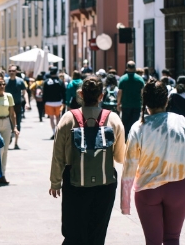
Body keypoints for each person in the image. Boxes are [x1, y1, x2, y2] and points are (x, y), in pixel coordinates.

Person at [121, 78, 185, 245]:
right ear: (167, 100)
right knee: (173, 239)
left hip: (147, 190)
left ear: (145, 102)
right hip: (177, 189)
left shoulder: (138, 127)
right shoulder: (181, 122)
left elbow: (129, 165)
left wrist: (125, 202)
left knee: (153, 241)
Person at [49, 75, 125, 244]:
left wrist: (55, 182)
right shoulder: (113, 119)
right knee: (97, 234)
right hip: (105, 182)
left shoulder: (68, 119)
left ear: (81, 94)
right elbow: (120, 158)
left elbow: (58, 156)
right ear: (101, 96)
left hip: (74, 181)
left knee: (74, 233)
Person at [117, 61, 145, 141]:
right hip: (136, 105)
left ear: (127, 67)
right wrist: (144, 103)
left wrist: (118, 103)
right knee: (135, 123)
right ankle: (134, 139)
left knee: (125, 123)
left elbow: (120, 92)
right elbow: (143, 93)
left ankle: (126, 140)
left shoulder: (123, 79)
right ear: (135, 68)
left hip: (126, 105)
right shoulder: (140, 79)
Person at [5, 64, 29, 149]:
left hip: (17, 105)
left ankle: (16, 143)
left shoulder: (20, 81)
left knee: (17, 124)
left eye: (13, 71)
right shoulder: (5, 81)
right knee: (8, 124)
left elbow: (25, 92)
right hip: (7, 107)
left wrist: (27, 103)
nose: (11, 73)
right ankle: (10, 137)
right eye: (10, 71)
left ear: (16, 72)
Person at [43, 66, 66, 139]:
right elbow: (64, 92)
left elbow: (44, 93)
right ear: (56, 73)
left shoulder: (46, 82)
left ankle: (53, 132)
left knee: (51, 118)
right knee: (58, 117)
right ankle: (57, 132)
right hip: (58, 102)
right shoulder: (60, 81)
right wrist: (64, 101)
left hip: (49, 102)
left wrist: (44, 102)